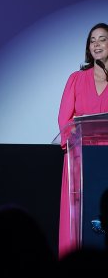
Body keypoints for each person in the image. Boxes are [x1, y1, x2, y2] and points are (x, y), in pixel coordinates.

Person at [58, 22, 108, 258]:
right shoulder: (77, 79)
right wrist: (73, 143)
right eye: (92, 40)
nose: (97, 44)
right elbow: (64, 120)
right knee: (82, 219)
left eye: (102, 39)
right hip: (81, 160)